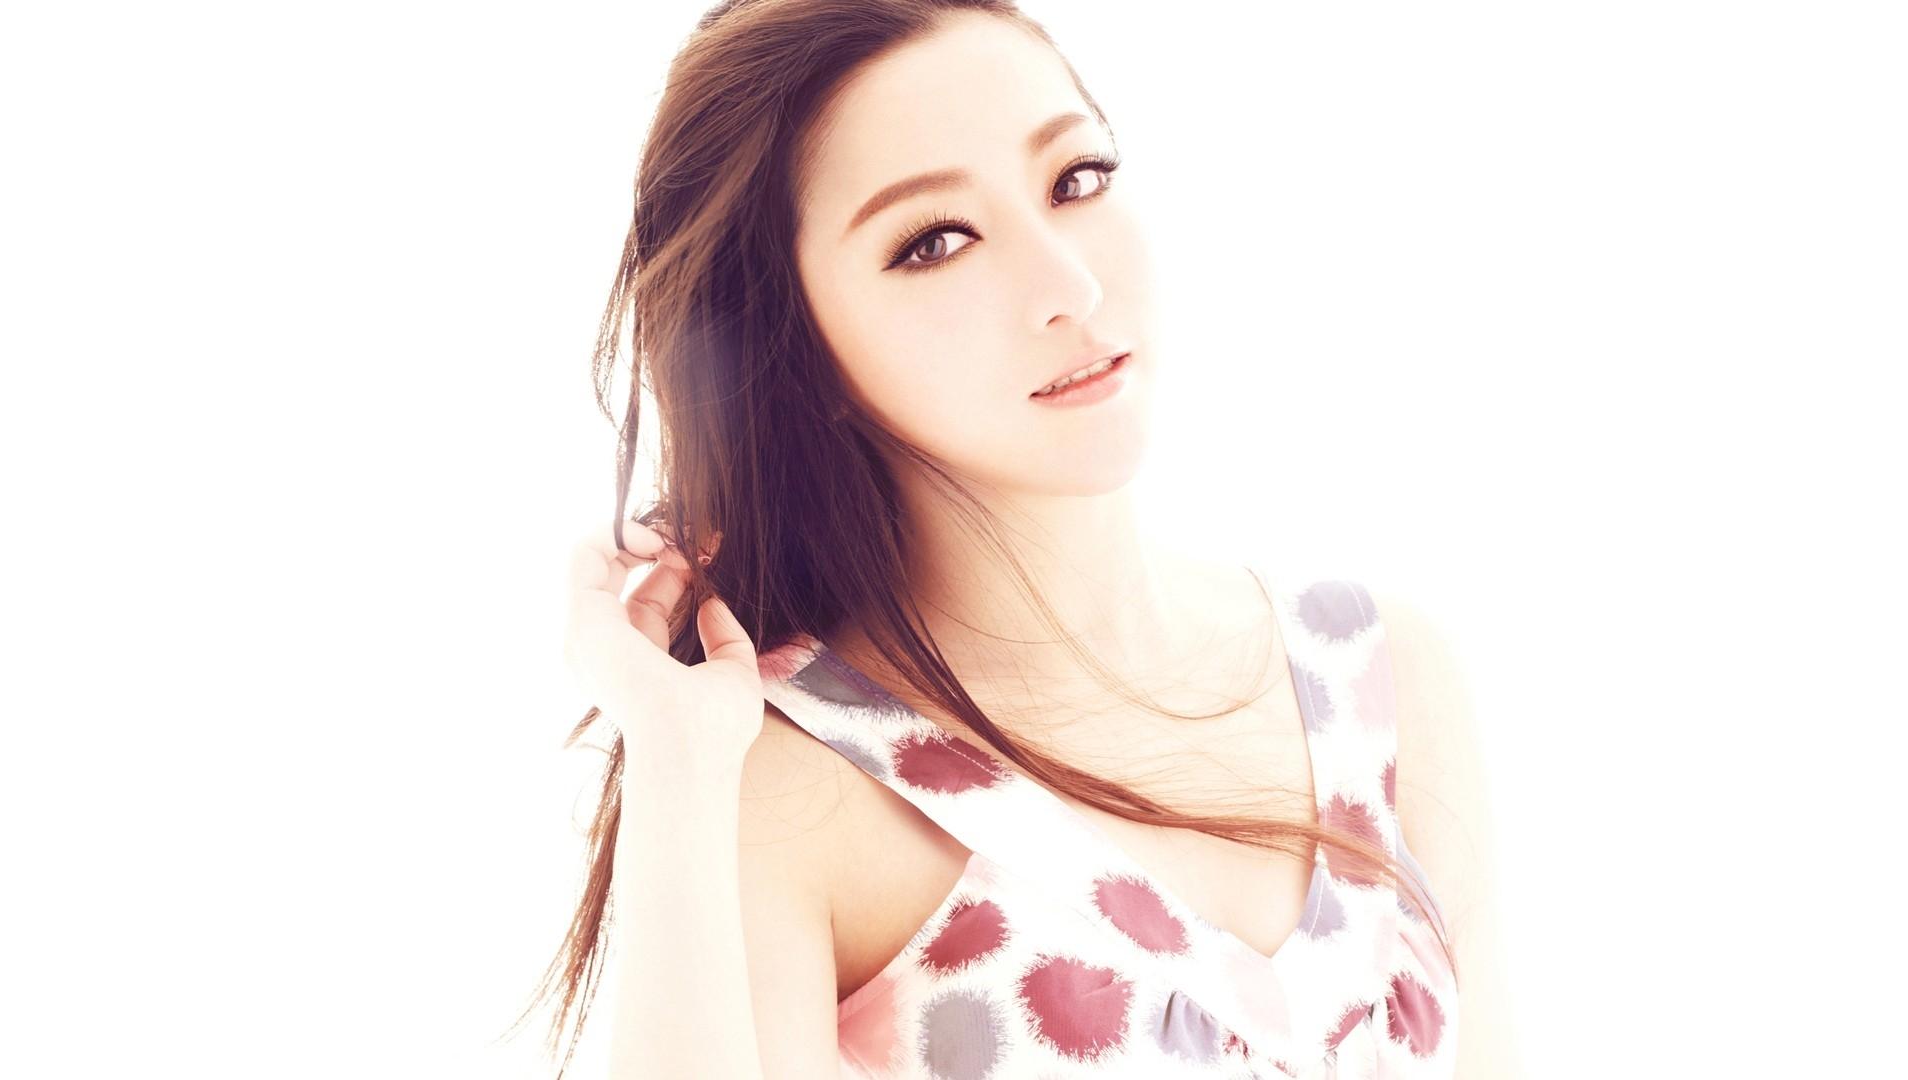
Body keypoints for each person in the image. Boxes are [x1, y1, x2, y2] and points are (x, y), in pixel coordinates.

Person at [532, 1, 1519, 1076]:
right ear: (797, 344)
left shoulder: (1381, 679)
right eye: (936, 242)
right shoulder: (788, 787)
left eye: (1076, 179)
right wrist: (678, 762)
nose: (1070, 287)